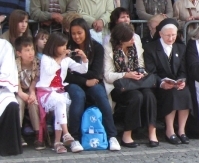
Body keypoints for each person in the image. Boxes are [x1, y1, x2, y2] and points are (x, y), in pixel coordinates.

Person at [66, 18, 120, 152]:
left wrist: (80, 76)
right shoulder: (68, 48)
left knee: (100, 96)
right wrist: (84, 81)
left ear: (86, 31)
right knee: (78, 96)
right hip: (74, 83)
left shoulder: (96, 47)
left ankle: (112, 136)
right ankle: (75, 138)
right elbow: (66, 75)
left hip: (93, 81)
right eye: (73, 33)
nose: (76, 36)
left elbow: (95, 72)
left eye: (79, 33)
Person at [103, 23, 159, 147]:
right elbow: (107, 75)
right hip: (119, 85)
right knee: (136, 97)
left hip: (136, 82)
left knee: (149, 95)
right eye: (129, 38)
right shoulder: (109, 49)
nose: (133, 40)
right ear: (120, 40)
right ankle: (127, 134)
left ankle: (152, 131)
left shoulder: (136, 44)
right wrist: (125, 75)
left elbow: (141, 65)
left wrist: (139, 73)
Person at [37, 33, 89, 154]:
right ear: (54, 46)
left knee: (60, 104)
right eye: (62, 46)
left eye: (66, 46)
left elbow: (82, 70)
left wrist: (84, 58)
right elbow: (49, 72)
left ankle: (57, 142)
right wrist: (60, 59)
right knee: (60, 101)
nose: (65, 49)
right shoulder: (46, 58)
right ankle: (65, 134)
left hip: (58, 91)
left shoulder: (66, 60)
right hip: (45, 92)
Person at [143, 19, 193, 145]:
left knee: (185, 92)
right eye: (168, 35)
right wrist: (162, 83)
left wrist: (182, 81)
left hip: (176, 83)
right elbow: (151, 71)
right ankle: (170, 131)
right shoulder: (150, 48)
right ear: (160, 34)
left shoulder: (181, 48)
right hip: (158, 85)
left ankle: (182, 131)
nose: (171, 38)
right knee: (172, 94)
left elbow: (183, 69)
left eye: (174, 35)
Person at [14, 37, 42, 149]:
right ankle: (18, 133)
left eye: (32, 49)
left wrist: (32, 92)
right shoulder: (15, 64)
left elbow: (36, 79)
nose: (31, 53)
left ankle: (38, 133)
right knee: (18, 102)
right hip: (18, 90)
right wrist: (20, 93)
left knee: (33, 102)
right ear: (19, 53)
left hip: (33, 90)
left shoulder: (37, 63)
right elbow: (15, 80)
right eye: (27, 50)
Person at [0, 39, 22, 156]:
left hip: (2, 89)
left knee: (11, 104)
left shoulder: (4, 45)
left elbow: (7, 71)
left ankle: (8, 148)